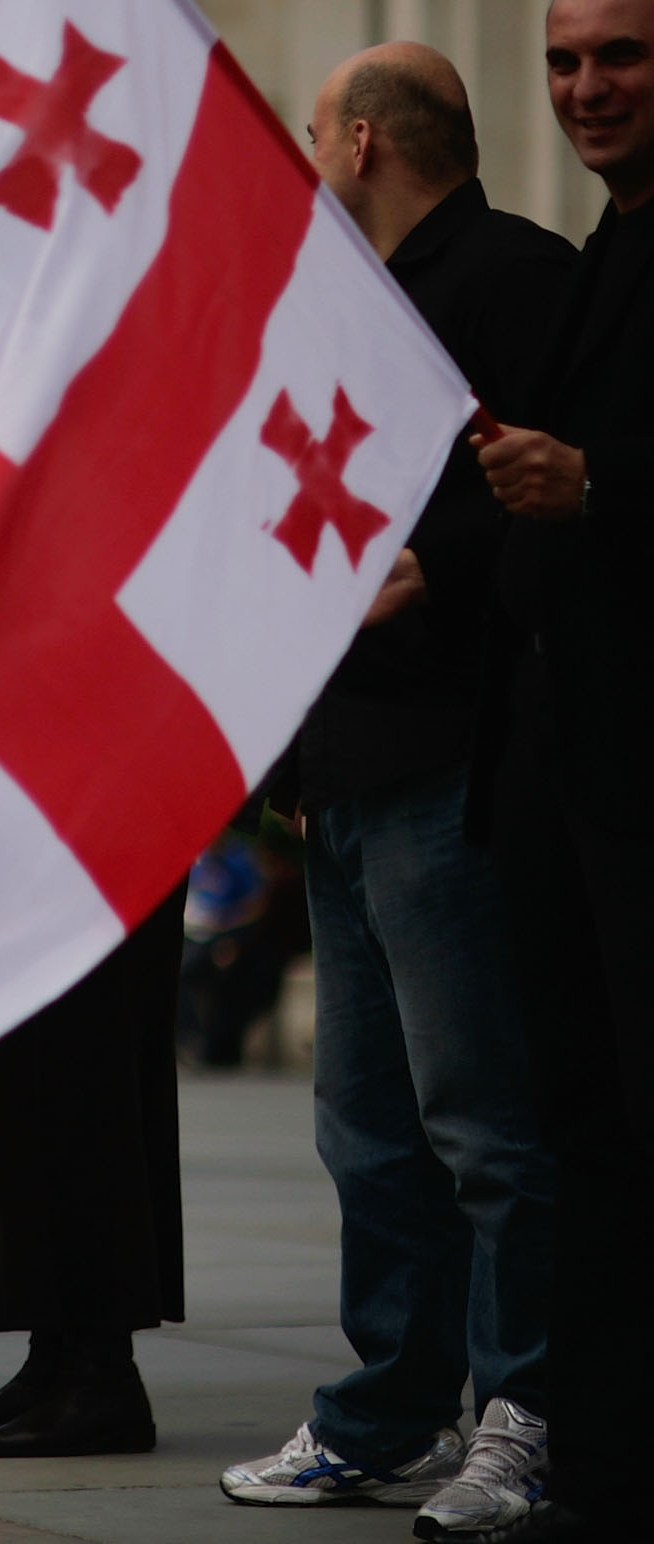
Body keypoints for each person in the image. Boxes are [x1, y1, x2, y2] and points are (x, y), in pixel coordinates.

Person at [219, 45, 567, 1530]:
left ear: (364, 140)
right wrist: (296, 763)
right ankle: (386, 1409)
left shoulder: (514, 276)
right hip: (353, 773)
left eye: (313, 134)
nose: (305, 157)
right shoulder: (354, 304)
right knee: (365, 1124)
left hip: (451, 765)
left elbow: (552, 495)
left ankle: (525, 1411)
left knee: (483, 1119)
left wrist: (453, 567)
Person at [465, 3, 654, 1536]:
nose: (587, 90)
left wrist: (599, 484)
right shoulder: (611, 241)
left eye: (623, 58)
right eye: (565, 62)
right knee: (584, 1129)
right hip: (567, 771)